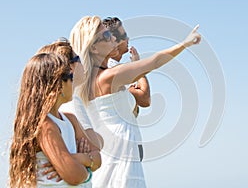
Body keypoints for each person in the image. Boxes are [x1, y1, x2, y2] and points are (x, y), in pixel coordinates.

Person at [69, 15, 201, 188]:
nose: (114, 38)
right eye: (107, 36)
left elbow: (142, 99)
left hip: (114, 158)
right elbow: (154, 62)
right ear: (94, 47)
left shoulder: (91, 80)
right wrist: (185, 43)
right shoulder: (109, 77)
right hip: (121, 162)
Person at [9, 52, 101, 187]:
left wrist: (77, 158)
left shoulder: (70, 119)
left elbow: (98, 157)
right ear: (57, 85)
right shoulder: (45, 125)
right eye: (69, 76)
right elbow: (75, 176)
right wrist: (87, 167)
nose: (73, 80)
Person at [103, 17, 151, 118]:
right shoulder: (111, 67)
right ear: (114, 39)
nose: (128, 39)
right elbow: (145, 99)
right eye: (124, 35)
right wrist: (138, 65)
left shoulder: (112, 67)